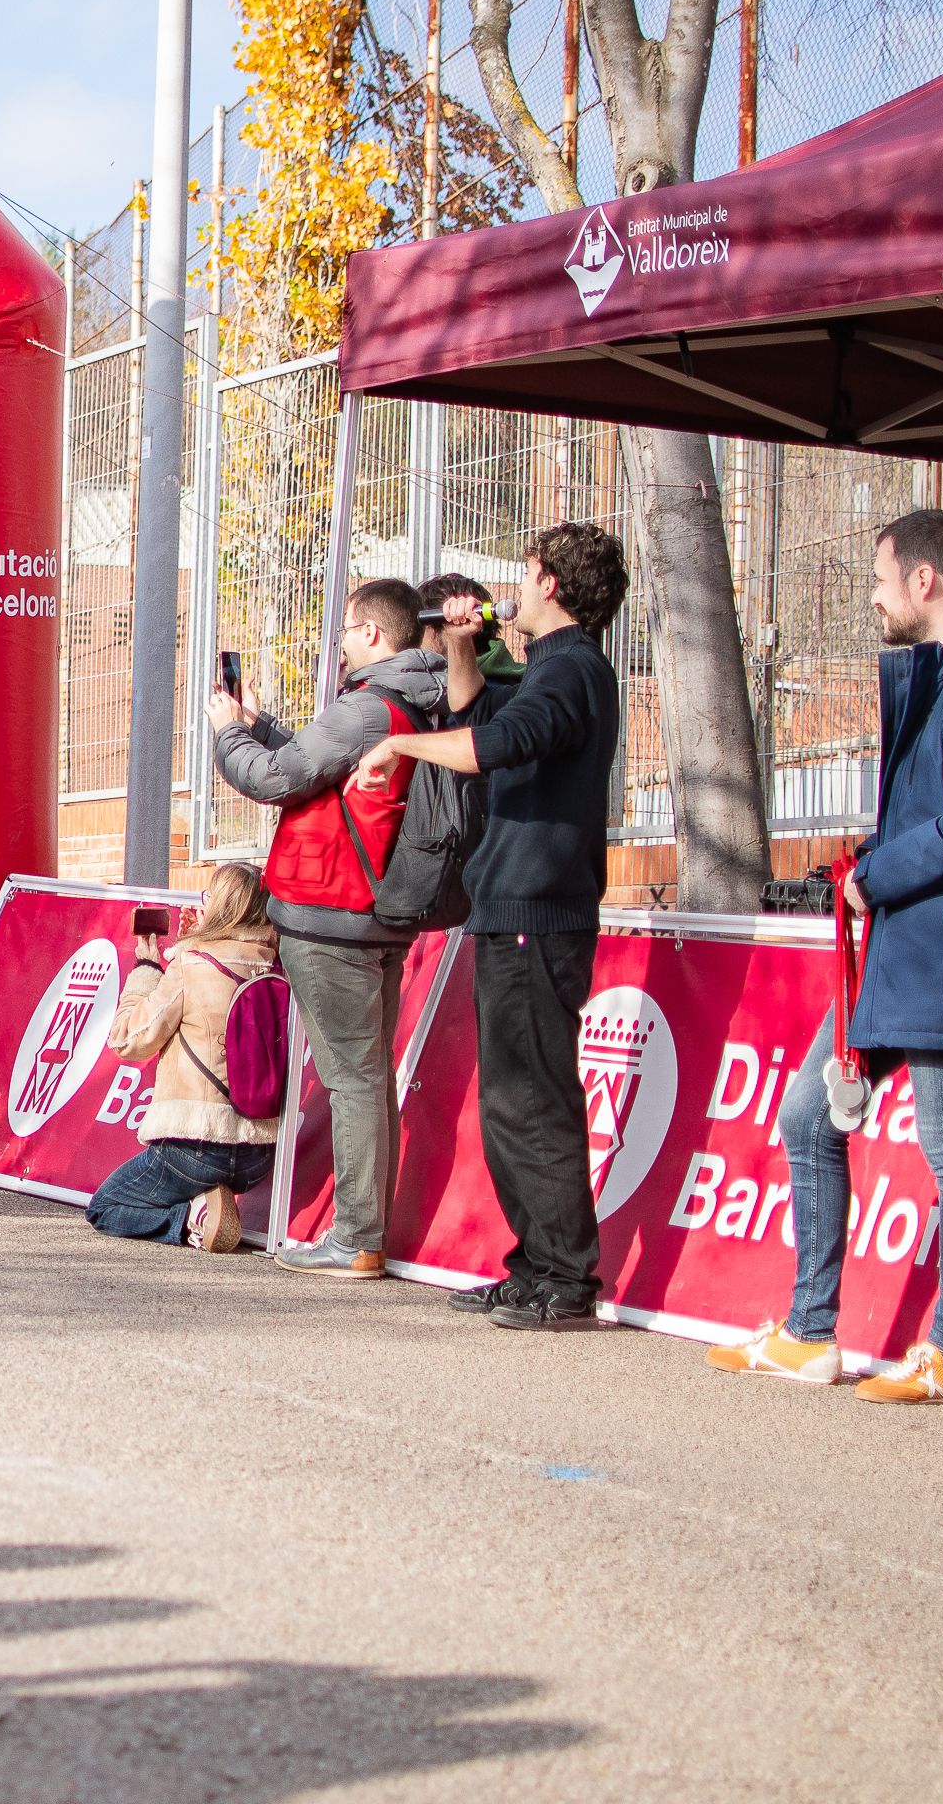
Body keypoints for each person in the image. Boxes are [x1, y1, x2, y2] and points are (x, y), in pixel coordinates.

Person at [710, 510, 943, 1402]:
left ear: (926, 582)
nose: (873, 598)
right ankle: (812, 1332)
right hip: (899, 948)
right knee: (808, 1115)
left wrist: (874, 876)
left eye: (881, 579)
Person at [358, 522, 627, 1330]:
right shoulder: (550, 669)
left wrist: (402, 746)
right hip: (510, 909)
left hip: (537, 915)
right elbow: (483, 705)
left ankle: (567, 1277)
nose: (517, 583)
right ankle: (535, 1264)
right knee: (512, 1100)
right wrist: (466, 644)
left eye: (526, 571)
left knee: (534, 1098)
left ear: (547, 582)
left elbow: (498, 742)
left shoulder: (575, 670)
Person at [208, 577, 449, 1280]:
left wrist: (229, 734)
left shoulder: (365, 707)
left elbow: (276, 781)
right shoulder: (419, 701)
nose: (339, 642)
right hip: (379, 911)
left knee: (352, 1080)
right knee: (370, 1078)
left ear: (374, 635)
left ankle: (355, 1236)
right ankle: (366, 1231)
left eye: (346, 630)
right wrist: (261, 728)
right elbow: (321, 771)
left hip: (329, 908)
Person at [84, 864, 284, 1251]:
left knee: (107, 1206)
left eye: (208, 897)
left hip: (196, 1146)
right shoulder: (279, 967)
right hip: (259, 1154)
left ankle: (192, 1218)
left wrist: (147, 968)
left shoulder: (190, 967)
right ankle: (203, 1203)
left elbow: (129, 1039)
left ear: (221, 907)